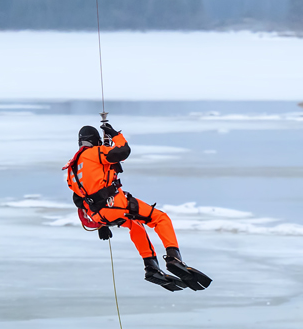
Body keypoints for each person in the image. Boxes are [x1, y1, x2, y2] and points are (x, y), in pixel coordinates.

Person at [65, 122, 212, 291]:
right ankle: (174, 258)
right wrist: (114, 134)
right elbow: (123, 151)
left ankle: (150, 266)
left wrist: (101, 225)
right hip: (116, 205)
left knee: (135, 225)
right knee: (160, 218)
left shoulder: (72, 167)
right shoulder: (95, 153)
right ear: (95, 141)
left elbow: (79, 200)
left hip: (99, 214)